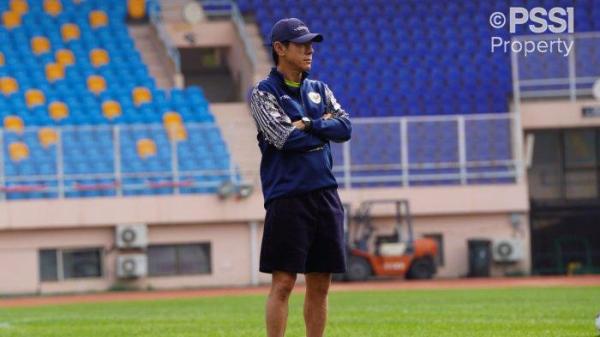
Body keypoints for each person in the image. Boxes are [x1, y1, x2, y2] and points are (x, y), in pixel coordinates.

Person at [248, 17, 352, 337]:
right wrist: (323, 127)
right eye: (301, 44)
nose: (309, 51)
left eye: (311, 45)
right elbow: (284, 139)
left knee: (320, 284)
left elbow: (345, 128)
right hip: (288, 198)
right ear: (280, 48)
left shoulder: (319, 88)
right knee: (283, 283)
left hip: (324, 195)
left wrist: (309, 123)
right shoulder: (263, 94)